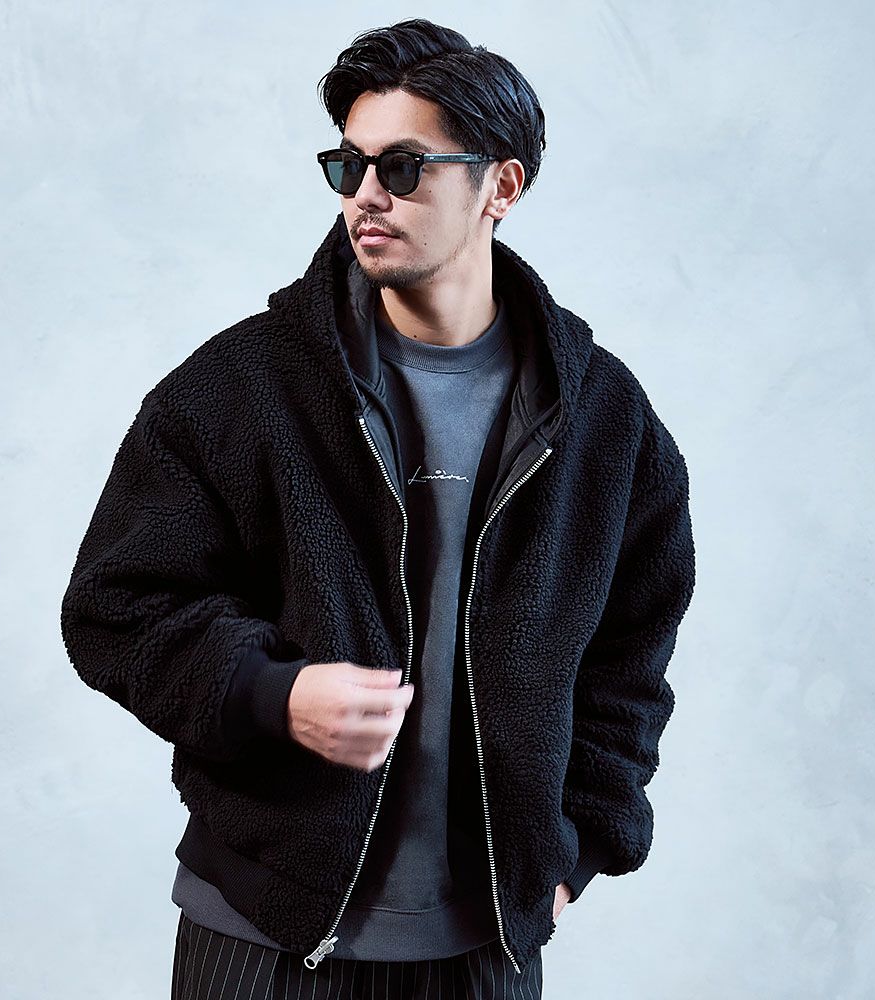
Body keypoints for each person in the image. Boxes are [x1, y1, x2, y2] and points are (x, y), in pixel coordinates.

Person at [60, 17, 696, 1000]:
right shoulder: (240, 388)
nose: (364, 194)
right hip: (265, 929)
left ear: (501, 186)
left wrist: (577, 850)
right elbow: (116, 608)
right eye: (347, 165)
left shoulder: (603, 421)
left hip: (484, 943)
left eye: (402, 167)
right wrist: (273, 693)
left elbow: (631, 651)